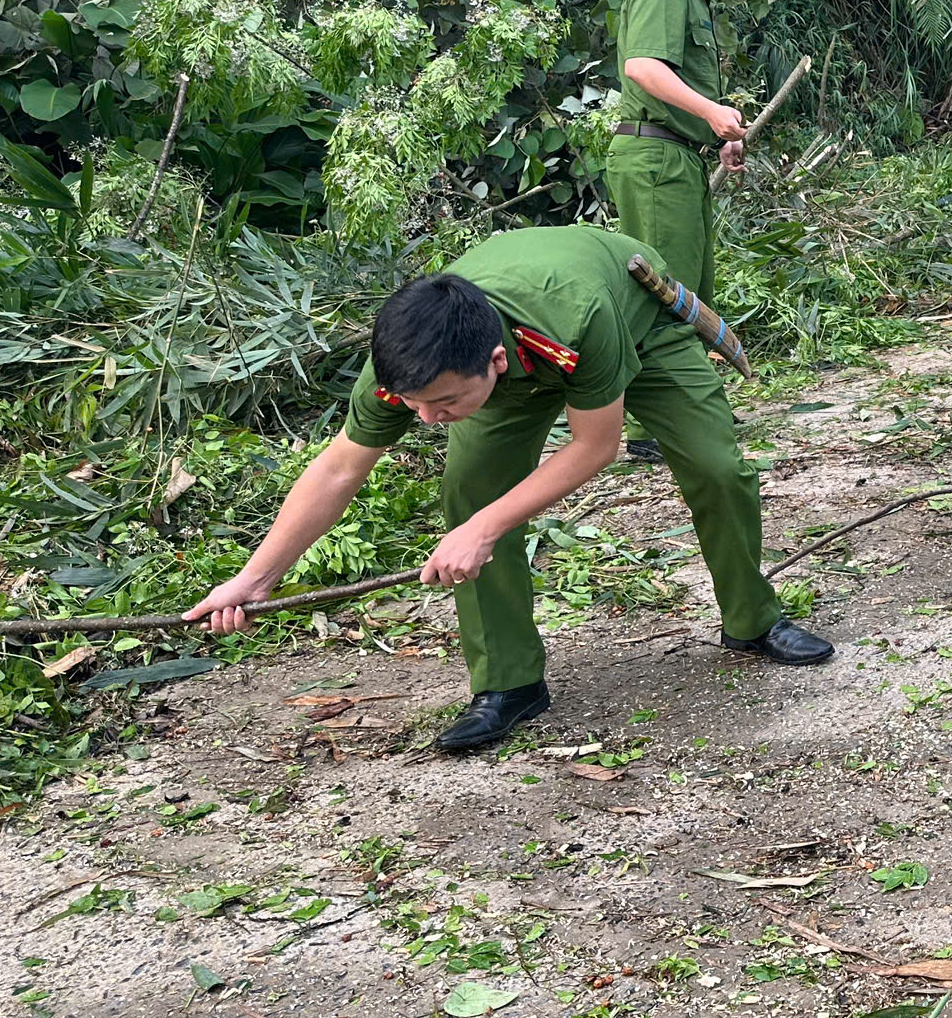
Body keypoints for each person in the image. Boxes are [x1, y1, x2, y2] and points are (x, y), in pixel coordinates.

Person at [184, 226, 835, 751]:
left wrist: (485, 530)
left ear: (494, 362)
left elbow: (596, 446)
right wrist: (257, 578)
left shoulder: (575, 318)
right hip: (516, 355)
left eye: (442, 403)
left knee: (718, 467)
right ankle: (509, 683)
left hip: (632, 322)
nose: (428, 420)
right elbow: (337, 469)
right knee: (470, 488)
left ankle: (753, 620)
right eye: (414, 405)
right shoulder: (411, 366)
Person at [610, 0, 746, 461]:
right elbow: (642, 67)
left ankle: (688, 405)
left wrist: (714, 137)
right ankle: (653, 429)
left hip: (676, 156)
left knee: (689, 288)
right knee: (664, 293)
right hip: (654, 160)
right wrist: (711, 112)